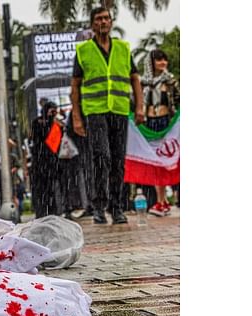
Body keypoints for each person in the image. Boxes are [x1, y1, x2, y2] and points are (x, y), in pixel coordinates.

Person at [70, 6, 144, 224]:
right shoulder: (83, 51)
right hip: (95, 112)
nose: (103, 22)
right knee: (102, 157)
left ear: (111, 23)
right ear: (93, 24)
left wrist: (139, 107)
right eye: (99, 19)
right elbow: (75, 86)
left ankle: (117, 207)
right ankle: (99, 206)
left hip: (120, 110)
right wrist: (76, 116)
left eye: (106, 18)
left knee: (118, 161)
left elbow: (135, 79)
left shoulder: (122, 48)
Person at [140, 49, 180, 217]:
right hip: (150, 124)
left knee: (169, 159)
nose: (162, 63)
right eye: (159, 60)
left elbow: (179, 101)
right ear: (151, 63)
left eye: (164, 60)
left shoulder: (171, 81)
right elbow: (138, 102)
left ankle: (174, 197)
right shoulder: (144, 83)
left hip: (167, 122)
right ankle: (160, 201)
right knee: (155, 161)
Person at [28, 101, 63, 218]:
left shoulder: (57, 124)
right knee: (40, 189)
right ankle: (41, 211)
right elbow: (36, 138)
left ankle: (53, 211)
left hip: (52, 162)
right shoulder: (37, 122)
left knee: (51, 189)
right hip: (39, 162)